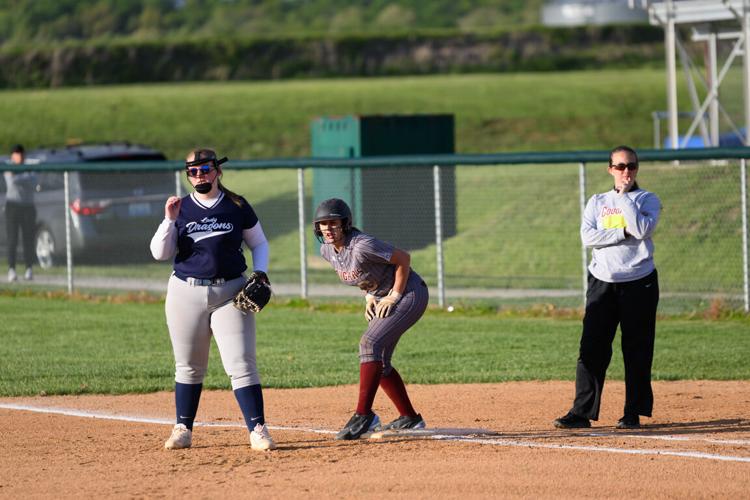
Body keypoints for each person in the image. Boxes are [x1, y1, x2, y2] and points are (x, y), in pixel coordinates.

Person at [150, 148, 276, 451]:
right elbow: (159, 253)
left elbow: (258, 242)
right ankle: (183, 428)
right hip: (185, 293)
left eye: (205, 169)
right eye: (192, 171)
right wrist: (169, 221)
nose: (199, 176)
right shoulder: (180, 208)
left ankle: (257, 429)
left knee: (242, 363)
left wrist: (260, 272)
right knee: (189, 365)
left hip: (230, 293)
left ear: (217, 171)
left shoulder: (236, 205)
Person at [554, 145, 661, 430]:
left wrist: (624, 197)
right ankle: (581, 412)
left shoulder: (646, 199)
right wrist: (621, 231)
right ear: (610, 169)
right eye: (621, 166)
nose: (627, 172)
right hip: (602, 281)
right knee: (592, 347)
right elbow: (588, 237)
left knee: (637, 347)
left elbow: (641, 230)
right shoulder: (597, 201)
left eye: (632, 166)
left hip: (640, 281)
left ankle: (632, 412)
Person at [313, 198, 429, 440]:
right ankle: (410, 418)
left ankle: (364, 416)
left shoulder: (363, 244)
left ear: (345, 224)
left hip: (410, 292)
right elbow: (362, 275)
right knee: (380, 361)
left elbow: (403, 259)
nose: (328, 229)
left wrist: (394, 295)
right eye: (323, 224)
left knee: (369, 344)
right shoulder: (327, 251)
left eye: (333, 223)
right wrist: (369, 296)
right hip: (382, 295)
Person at [4, 144, 37, 282]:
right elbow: (12, 182)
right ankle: (11, 269)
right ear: (12, 156)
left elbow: (33, 181)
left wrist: (21, 177)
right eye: (16, 153)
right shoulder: (8, 167)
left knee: (28, 239)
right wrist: (24, 177)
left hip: (28, 206)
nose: (19, 156)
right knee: (12, 239)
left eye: (21, 153)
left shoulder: (30, 167)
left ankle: (29, 268)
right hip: (13, 206)